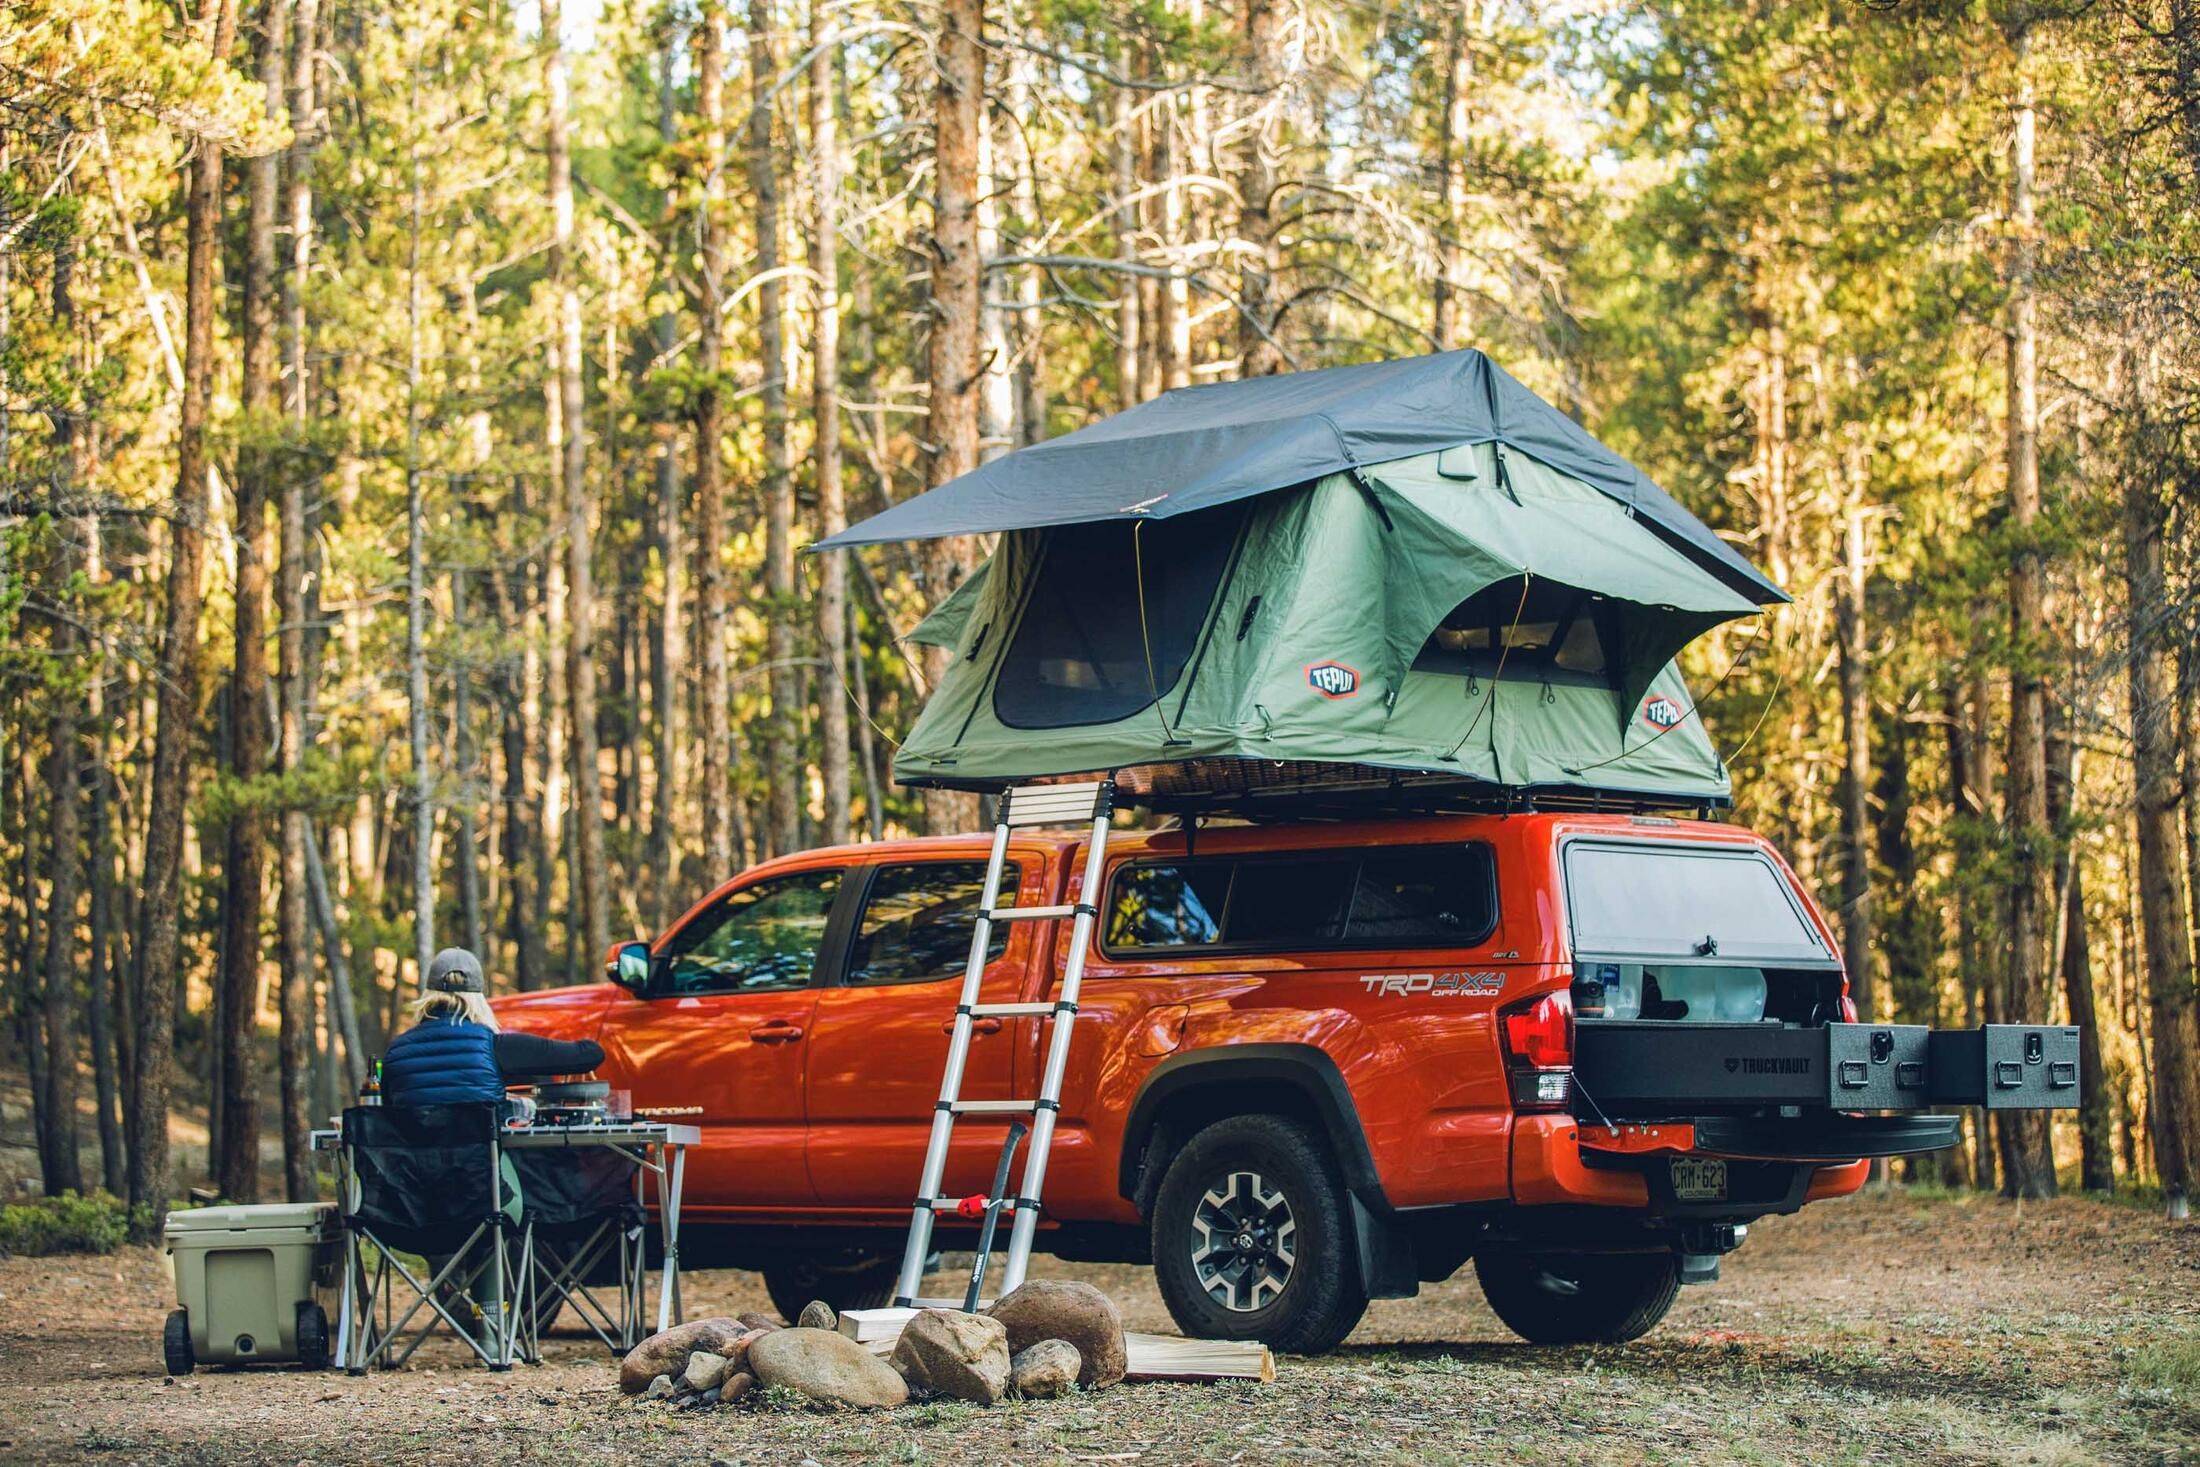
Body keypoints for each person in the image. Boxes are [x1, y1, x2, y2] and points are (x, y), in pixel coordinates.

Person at [382, 948, 605, 1106]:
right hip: (483, 1171)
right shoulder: (495, 1047)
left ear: (428, 993)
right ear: (478, 998)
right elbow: (589, 1055)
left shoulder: (396, 1052)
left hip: (413, 1172)